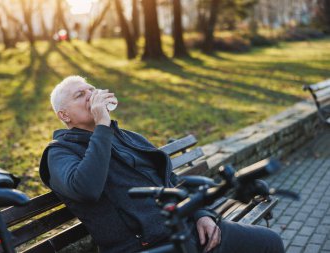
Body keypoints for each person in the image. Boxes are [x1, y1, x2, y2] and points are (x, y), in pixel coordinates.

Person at [39, 75, 284, 253]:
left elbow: (171, 181)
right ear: (64, 115)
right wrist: (102, 125)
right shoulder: (59, 153)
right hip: (147, 245)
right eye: (80, 95)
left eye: (91, 90)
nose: (91, 96)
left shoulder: (128, 137)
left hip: (186, 227)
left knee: (269, 243)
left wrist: (201, 214)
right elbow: (87, 188)